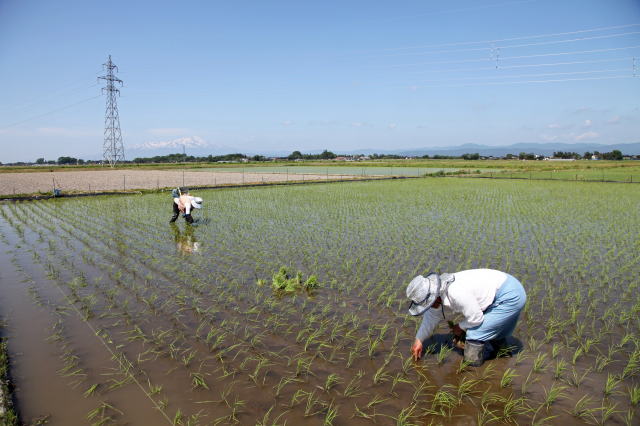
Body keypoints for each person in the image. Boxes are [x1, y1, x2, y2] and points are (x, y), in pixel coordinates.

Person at [406, 269, 526, 366]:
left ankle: (472, 368)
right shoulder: (439, 290)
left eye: (427, 304)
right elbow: (430, 318)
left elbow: (476, 318)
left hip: (510, 295)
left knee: (476, 333)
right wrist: (419, 340)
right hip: (501, 289)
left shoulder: (456, 292)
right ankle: (503, 356)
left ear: (433, 297)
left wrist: (460, 326)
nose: (428, 307)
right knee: (490, 328)